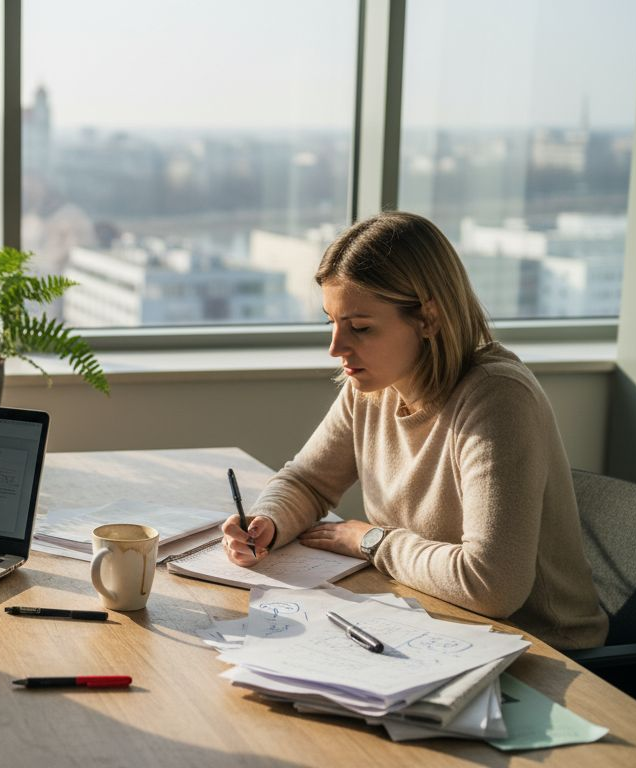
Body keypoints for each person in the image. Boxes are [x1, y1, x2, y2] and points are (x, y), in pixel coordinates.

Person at [220, 211, 607, 651]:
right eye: (332, 322)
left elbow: (492, 585)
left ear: (428, 319)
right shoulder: (373, 386)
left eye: (360, 328)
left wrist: (372, 541)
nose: (336, 348)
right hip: (434, 625)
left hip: (544, 650)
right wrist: (268, 523)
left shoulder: (498, 398)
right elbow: (307, 482)